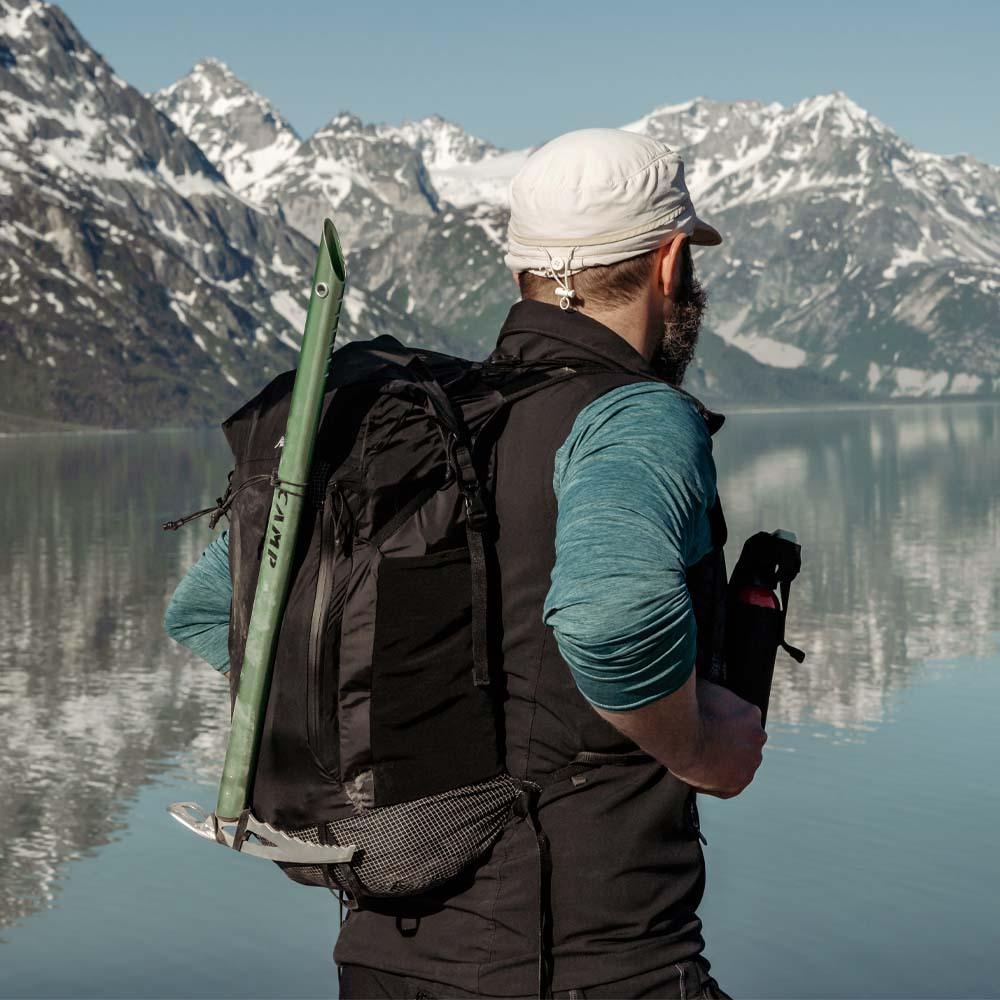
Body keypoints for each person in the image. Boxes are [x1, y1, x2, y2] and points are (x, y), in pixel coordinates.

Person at [165, 128, 766, 999]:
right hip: (593, 964)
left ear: (519, 270)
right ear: (671, 264)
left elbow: (208, 608)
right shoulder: (633, 417)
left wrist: (393, 718)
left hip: (385, 960)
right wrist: (703, 747)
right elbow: (610, 621)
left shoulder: (412, 425)